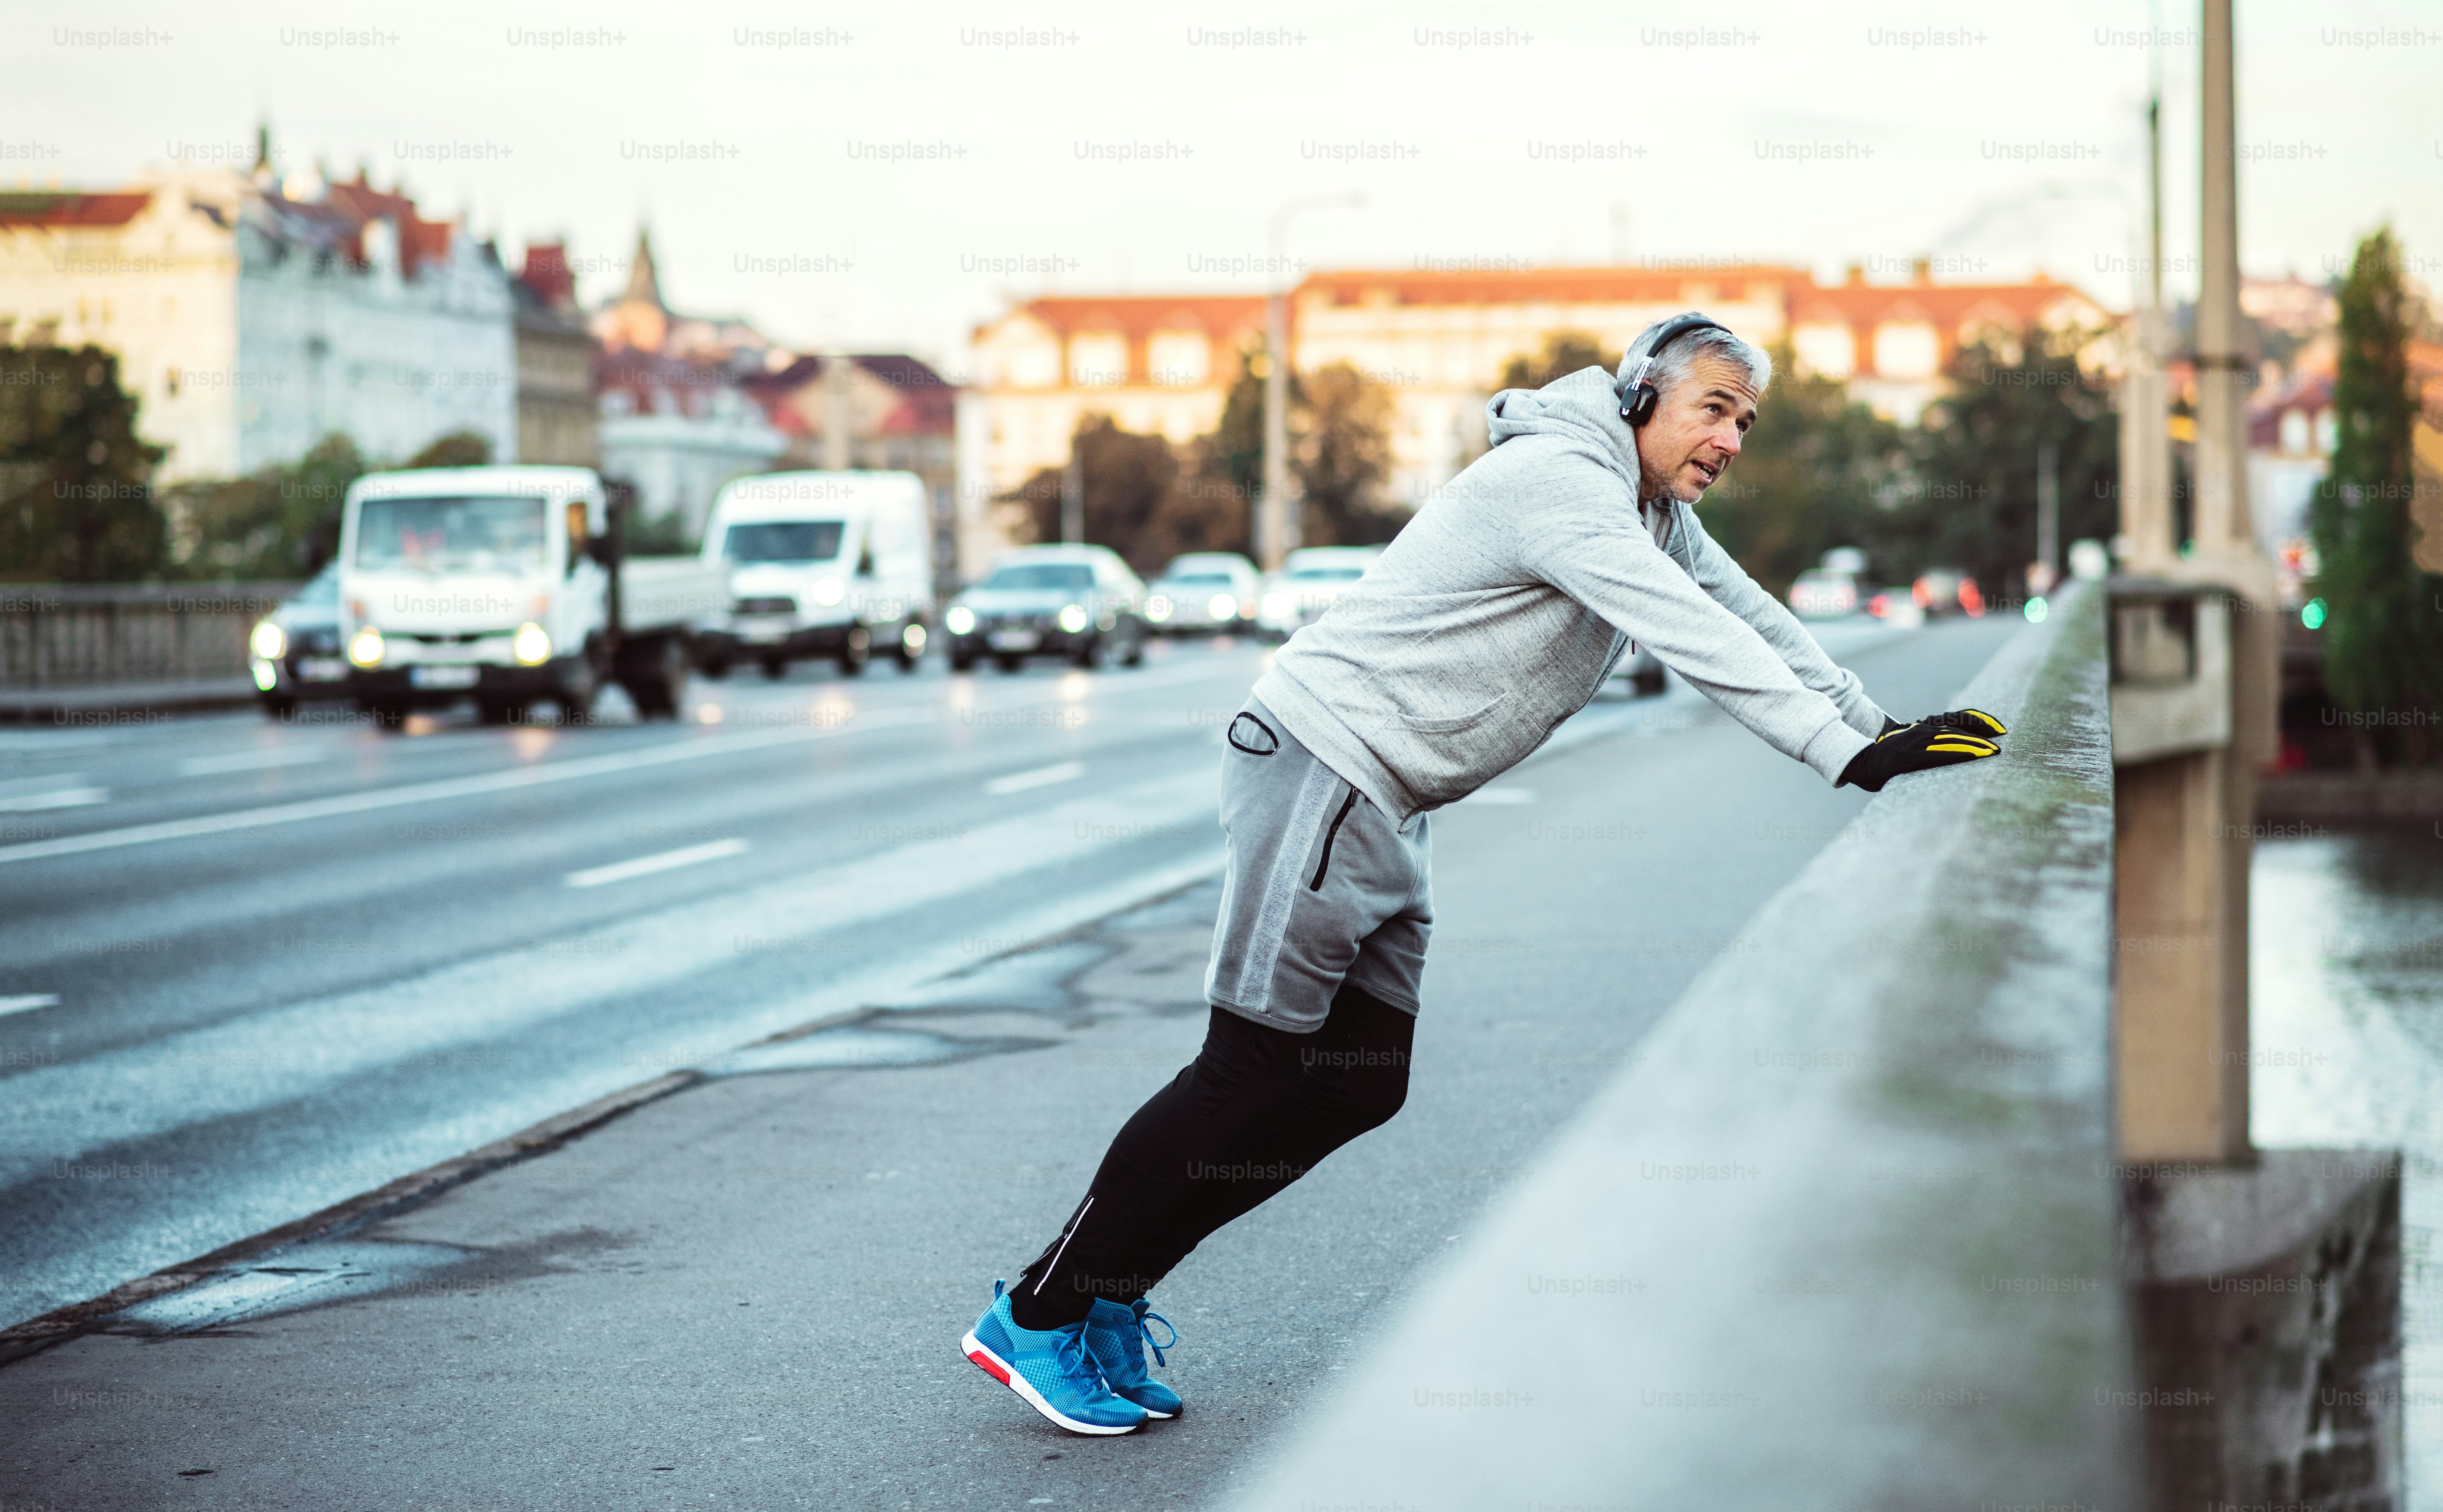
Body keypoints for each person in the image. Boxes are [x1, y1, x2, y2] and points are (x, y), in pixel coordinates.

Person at [959, 313, 2009, 1435]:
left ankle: (1111, 1289)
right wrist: (1842, 755)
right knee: (1246, 1069)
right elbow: (1688, 639)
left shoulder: (1650, 512)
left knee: (1364, 1080)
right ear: (1643, 395)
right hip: (1323, 763)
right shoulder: (1564, 484)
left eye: (1746, 421)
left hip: (1385, 799)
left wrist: (1878, 723)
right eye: (1715, 410)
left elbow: (1747, 615)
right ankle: (1041, 1310)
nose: (1733, 441)